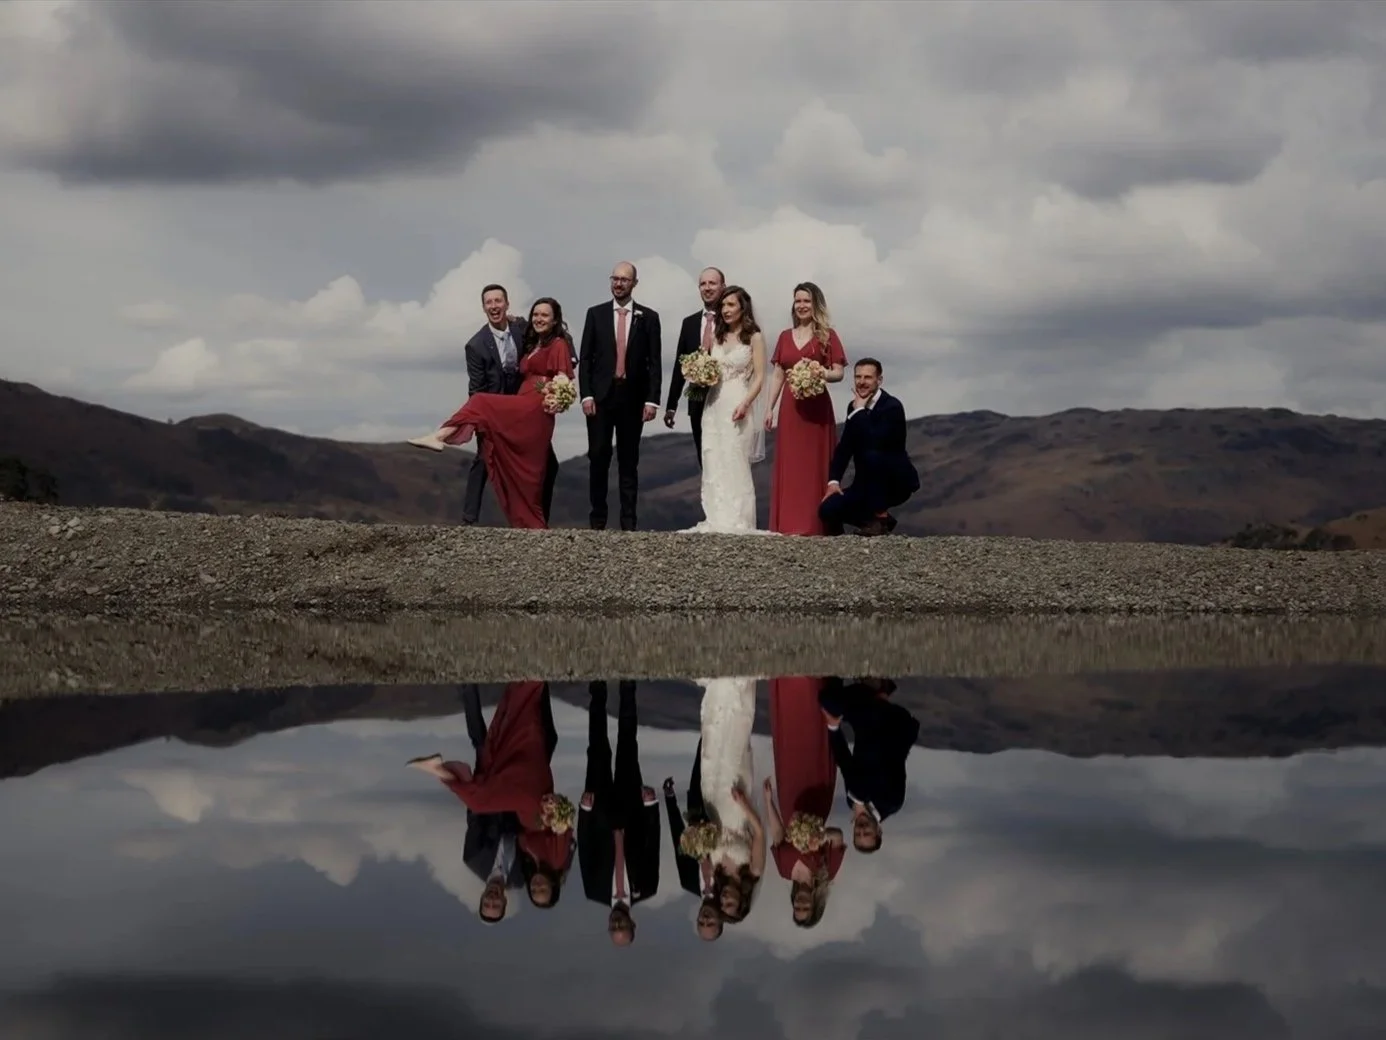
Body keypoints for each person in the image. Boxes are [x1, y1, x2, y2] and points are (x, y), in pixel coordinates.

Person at [406, 680, 569, 923]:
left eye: (487, 903)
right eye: (496, 904)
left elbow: (474, 819)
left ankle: (467, 685)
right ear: (505, 902)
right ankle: (537, 686)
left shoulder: (473, 859)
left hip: (493, 790)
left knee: (482, 742)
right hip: (522, 796)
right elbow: (545, 840)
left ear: (482, 897)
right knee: (544, 740)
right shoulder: (521, 877)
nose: (492, 899)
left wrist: (486, 784)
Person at [407, 298, 575, 529]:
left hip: (535, 407)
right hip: (521, 401)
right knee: (527, 472)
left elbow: (564, 376)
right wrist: (512, 318)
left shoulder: (558, 344)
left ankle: (440, 436)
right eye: (535, 314)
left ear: (555, 319)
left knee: (480, 401)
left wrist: (557, 396)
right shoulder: (533, 341)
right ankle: (533, 526)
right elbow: (523, 325)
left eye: (544, 315)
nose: (538, 319)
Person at [458, 284, 563, 526]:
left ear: (507, 304)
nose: (494, 306)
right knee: (484, 459)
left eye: (498, 301)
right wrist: (479, 420)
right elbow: (476, 388)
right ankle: (468, 520)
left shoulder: (521, 327)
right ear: (483, 307)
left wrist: (570, 358)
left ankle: (540, 520)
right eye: (489, 302)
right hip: (495, 411)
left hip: (523, 410)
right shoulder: (475, 345)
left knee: (549, 463)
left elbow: (554, 335)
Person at [578, 262, 663, 531]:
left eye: (624, 279)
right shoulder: (595, 314)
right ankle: (597, 520)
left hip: (633, 398)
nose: (619, 283)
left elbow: (655, 361)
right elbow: (586, 359)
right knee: (598, 456)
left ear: (634, 283)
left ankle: (628, 522)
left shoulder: (648, 317)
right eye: (615, 278)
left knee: (629, 460)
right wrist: (586, 395)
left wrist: (652, 399)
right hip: (601, 398)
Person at [578, 680, 660, 946]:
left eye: (613, 927)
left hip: (599, 808)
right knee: (627, 743)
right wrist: (651, 806)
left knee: (598, 746)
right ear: (632, 923)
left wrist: (585, 811)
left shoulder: (594, 890)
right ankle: (627, 685)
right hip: (632, 808)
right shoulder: (647, 888)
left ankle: (598, 687)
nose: (616, 922)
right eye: (622, 925)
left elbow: (586, 847)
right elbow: (652, 844)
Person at [680, 285, 768, 534]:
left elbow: (760, 377)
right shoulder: (716, 336)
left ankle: (739, 520)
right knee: (713, 457)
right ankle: (716, 517)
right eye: (723, 306)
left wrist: (745, 403)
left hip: (738, 401)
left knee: (734, 458)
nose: (726, 310)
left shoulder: (754, 337)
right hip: (713, 403)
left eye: (731, 305)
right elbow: (707, 365)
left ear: (742, 307)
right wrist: (698, 374)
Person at [765, 282, 848, 535]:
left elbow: (839, 372)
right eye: (798, 301)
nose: (801, 306)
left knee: (815, 465)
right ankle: (789, 524)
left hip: (817, 408)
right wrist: (770, 408)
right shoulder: (783, 336)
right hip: (791, 409)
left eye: (806, 301)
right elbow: (778, 374)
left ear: (816, 305)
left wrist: (819, 372)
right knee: (791, 465)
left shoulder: (827, 335)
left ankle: (816, 524)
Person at [764, 676, 846, 928]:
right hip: (817, 797)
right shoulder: (827, 872)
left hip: (790, 798)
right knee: (813, 732)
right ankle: (814, 681)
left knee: (789, 736)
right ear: (815, 903)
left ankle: (785, 683)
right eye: (805, 907)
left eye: (796, 907)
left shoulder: (783, 870)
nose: (800, 903)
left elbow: (778, 836)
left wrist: (769, 802)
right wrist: (818, 836)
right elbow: (838, 837)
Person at [819, 358, 920, 536]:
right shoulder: (854, 407)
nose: (862, 382)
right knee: (827, 509)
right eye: (858, 377)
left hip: (894, 483)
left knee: (873, 454)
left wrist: (859, 411)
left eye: (867, 377)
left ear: (879, 380)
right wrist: (833, 481)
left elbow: (876, 440)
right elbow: (846, 446)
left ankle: (879, 518)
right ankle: (878, 522)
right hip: (865, 484)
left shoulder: (892, 407)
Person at [819, 677, 920, 853]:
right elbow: (867, 781)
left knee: (828, 703)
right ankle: (877, 692)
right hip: (890, 725)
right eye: (868, 833)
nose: (862, 829)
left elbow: (845, 763)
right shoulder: (891, 802)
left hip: (865, 727)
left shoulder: (853, 802)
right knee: (841, 703)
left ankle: (872, 690)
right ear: (879, 830)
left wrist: (833, 728)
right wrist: (858, 803)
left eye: (858, 834)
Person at [697, 677, 766, 926]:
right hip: (738, 803)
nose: (725, 899)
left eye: (722, 903)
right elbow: (759, 833)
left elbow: (702, 841)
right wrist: (745, 804)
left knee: (713, 748)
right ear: (742, 901)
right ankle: (738, 686)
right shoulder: (753, 870)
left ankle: (717, 689)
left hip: (713, 800)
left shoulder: (715, 872)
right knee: (735, 742)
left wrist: (698, 840)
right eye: (730, 904)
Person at [664, 267, 726, 467]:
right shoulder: (689, 323)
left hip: (724, 396)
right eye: (703, 284)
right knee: (704, 458)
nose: (707, 288)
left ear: (723, 287)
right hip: (696, 399)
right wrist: (671, 405)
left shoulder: (731, 320)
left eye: (712, 283)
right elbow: (679, 364)